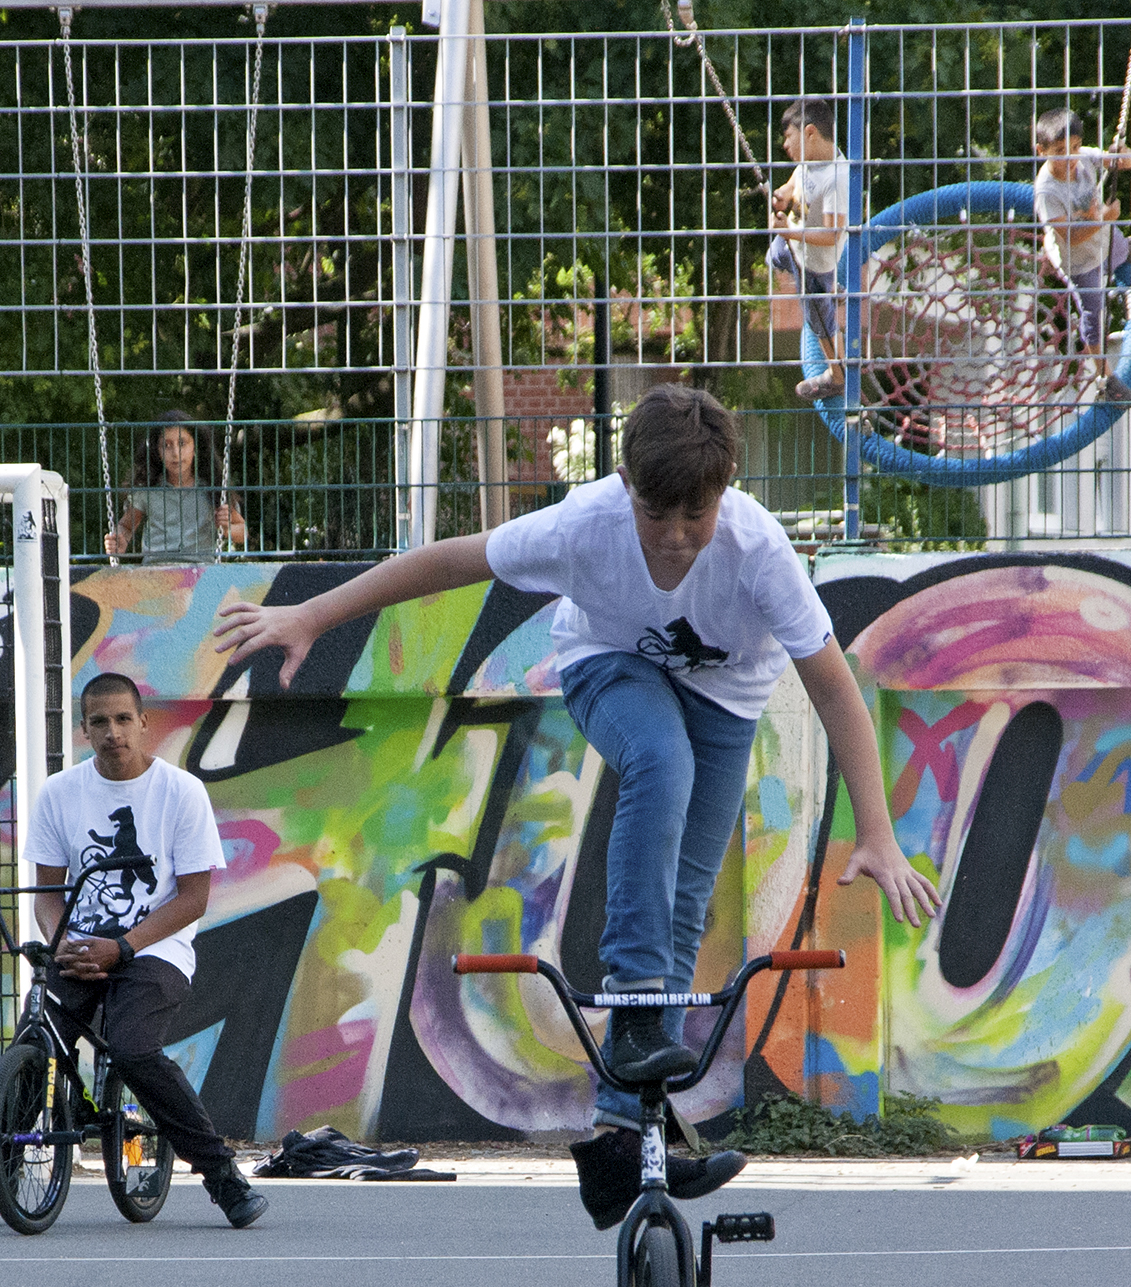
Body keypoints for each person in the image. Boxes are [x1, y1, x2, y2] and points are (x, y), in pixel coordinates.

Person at [215, 385, 939, 1228]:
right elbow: (447, 561)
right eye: (655, 515)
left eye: (694, 518)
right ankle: (632, 1008)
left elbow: (836, 692)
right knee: (656, 763)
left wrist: (878, 834)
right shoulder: (581, 523)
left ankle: (623, 1139)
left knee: (687, 902)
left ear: (726, 491)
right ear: (625, 485)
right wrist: (312, 613)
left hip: (727, 701)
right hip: (607, 667)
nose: (673, 539)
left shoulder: (758, 549)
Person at [0, 672, 268, 1231]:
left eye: (122, 720)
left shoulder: (180, 792)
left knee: (134, 1048)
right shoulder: (60, 793)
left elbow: (193, 899)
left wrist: (123, 947)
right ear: (84, 730)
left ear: (142, 723)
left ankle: (222, 1177)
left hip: (156, 947)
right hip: (82, 945)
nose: (113, 732)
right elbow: (47, 894)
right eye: (99, 722)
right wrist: (65, 943)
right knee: (36, 1037)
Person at [1031, 107, 1131, 404]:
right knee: (1094, 311)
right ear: (1041, 151)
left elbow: (1125, 163)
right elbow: (1070, 236)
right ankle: (1105, 378)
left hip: (1103, 240)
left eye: (1075, 147)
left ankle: (1123, 252)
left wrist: (1123, 153)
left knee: (1119, 247)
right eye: (1060, 151)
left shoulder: (1083, 159)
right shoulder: (1046, 191)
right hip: (1077, 259)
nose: (1070, 157)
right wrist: (1103, 219)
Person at [768, 100, 851, 403]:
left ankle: (837, 375)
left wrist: (787, 230)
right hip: (794, 249)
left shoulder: (836, 178)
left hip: (816, 265)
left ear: (811, 133)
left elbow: (831, 235)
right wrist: (781, 197)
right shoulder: (809, 161)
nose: (785, 145)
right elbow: (794, 184)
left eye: (789, 137)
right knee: (776, 255)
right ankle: (832, 291)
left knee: (821, 322)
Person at [103, 411, 247, 563]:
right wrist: (119, 540)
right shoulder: (148, 491)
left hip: (200, 570)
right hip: (157, 570)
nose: (176, 453)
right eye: (167, 445)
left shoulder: (212, 489)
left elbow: (242, 532)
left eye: (182, 443)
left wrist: (227, 529)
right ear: (157, 451)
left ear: (195, 447)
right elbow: (126, 527)